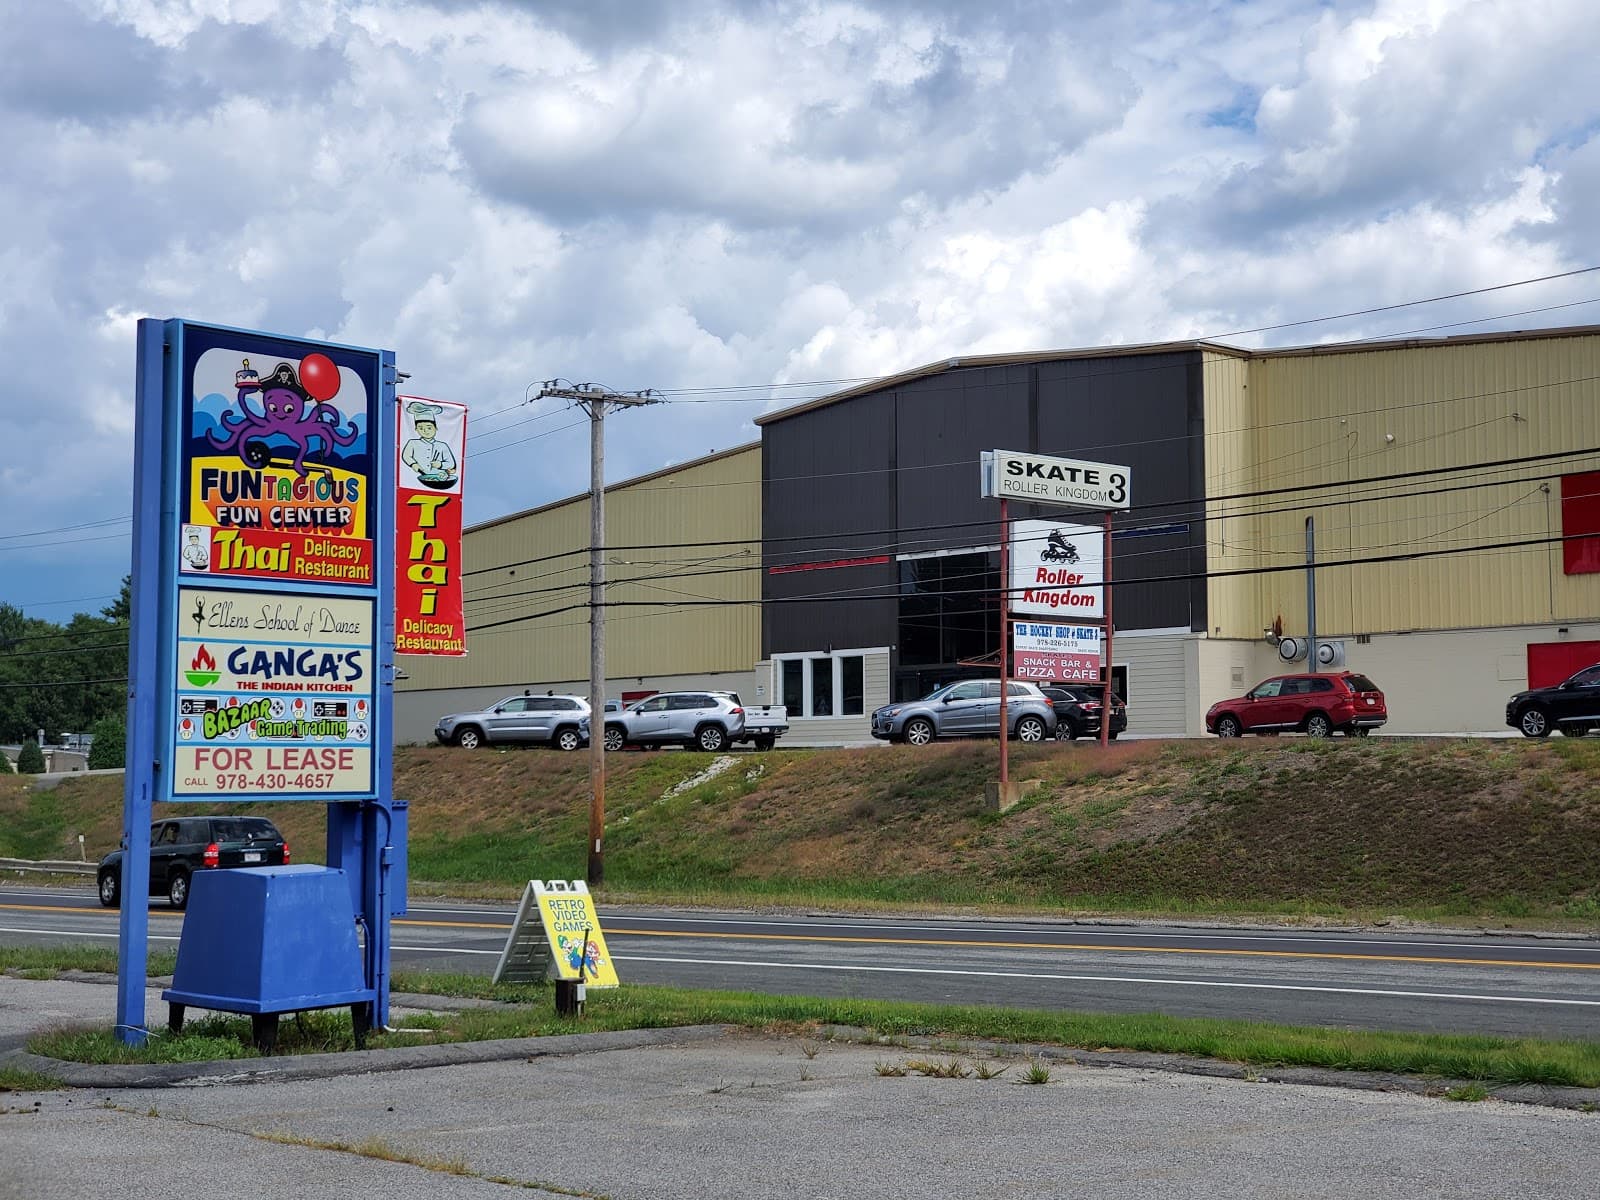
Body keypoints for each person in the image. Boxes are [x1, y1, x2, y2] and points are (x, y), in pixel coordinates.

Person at [401, 400, 457, 483]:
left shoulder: (442, 446)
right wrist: (413, 464)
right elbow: (406, 456)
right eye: (421, 428)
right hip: (419, 478)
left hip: (440, 477)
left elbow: (451, 463)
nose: (425, 431)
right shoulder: (412, 443)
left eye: (429, 428)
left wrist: (441, 464)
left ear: (436, 428)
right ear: (416, 429)